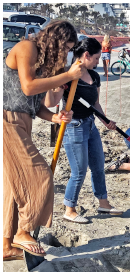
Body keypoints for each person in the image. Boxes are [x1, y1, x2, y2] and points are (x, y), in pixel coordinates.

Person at [3, 20, 84, 260]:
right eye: (67, 48)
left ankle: (6, 247)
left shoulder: (42, 61)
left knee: (12, 188)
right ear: (57, 40)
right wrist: (67, 75)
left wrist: (56, 118)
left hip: (22, 121)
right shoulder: (27, 48)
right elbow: (28, 88)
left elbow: (36, 105)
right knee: (40, 175)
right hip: (6, 120)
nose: (67, 53)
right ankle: (23, 230)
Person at [45, 38, 123, 223]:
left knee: (98, 166)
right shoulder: (67, 74)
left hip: (90, 124)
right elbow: (50, 102)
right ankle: (69, 209)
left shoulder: (94, 76)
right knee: (79, 170)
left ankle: (103, 203)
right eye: (96, 58)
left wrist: (105, 121)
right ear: (86, 55)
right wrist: (58, 84)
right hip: (73, 127)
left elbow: (95, 104)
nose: (98, 62)